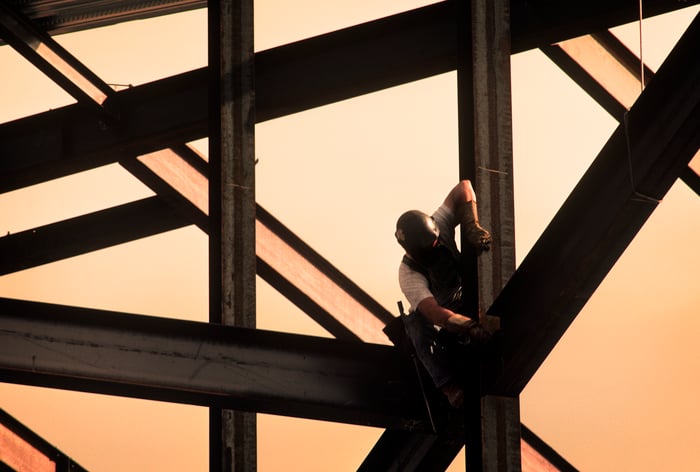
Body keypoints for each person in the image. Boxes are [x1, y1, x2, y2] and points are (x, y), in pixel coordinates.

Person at [394, 180, 492, 408]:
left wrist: (471, 225)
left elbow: (464, 188)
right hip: (443, 320)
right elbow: (433, 312)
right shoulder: (409, 274)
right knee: (415, 327)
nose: (436, 247)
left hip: (464, 295)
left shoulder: (439, 225)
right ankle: (448, 388)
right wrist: (468, 326)